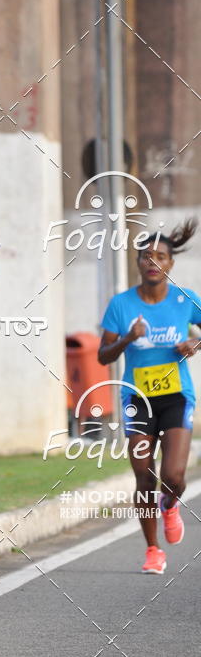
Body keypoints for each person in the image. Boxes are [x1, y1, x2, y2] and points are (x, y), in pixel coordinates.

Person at [98, 220, 200, 574]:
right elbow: (103, 355)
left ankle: (169, 505)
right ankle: (153, 550)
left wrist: (193, 343)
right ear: (138, 262)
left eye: (160, 256)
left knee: (173, 475)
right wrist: (128, 338)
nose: (153, 261)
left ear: (171, 264)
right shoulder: (121, 304)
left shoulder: (185, 300)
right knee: (144, 475)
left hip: (175, 395)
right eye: (146, 256)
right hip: (137, 398)